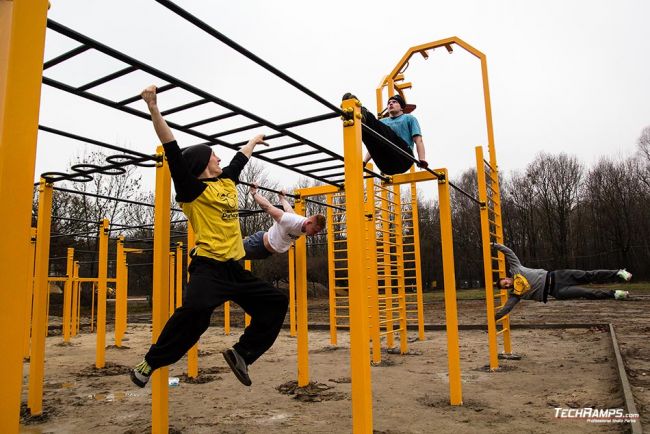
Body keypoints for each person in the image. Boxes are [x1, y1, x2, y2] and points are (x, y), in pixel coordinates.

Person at [130, 85, 288, 388]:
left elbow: (239, 159)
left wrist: (254, 139)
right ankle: (149, 363)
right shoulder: (192, 191)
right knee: (195, 315)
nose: (219, 158)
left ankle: (242, 354)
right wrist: (153, 108)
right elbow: (172, 147)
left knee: (275, 302)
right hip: (209, 269)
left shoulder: (227, 182)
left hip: (234, 269)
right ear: (203, 163)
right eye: (214, 156)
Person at [491, 242, 632, 320]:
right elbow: (507, 308)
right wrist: (494, 318)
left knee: (590, 275)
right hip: (557, 291)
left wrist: (494, 245)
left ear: (506, 278)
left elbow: (508, 252)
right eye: (505, 287)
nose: (507, 285)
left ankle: (619, 273)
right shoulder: (516, 294)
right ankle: (615, 294)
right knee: (587, 293)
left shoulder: (516, 269)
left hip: (558, 276)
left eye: (505, 282)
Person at [342, 93, 427, 175]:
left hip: (403, 158)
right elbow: (372, 146)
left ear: (401, 107)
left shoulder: (408, 118)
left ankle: (361, 112)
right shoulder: (382, 122)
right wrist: (364, 162)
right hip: (386, 166)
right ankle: (357, 118)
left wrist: (422, 159)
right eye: (389, 103)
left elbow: (418, 140)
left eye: (394, 102)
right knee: (370, 133)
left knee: (379, 127)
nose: (391, 104)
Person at [243, 183, 326, 259]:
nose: (314, 234)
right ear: (309, 223)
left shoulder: (304, 225)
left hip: (265, 252)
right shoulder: (290, 220)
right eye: (314, 231)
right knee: (231, 253)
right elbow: (267, 207)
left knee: (233, 257)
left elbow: (289, 210)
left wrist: (282, 199)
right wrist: (254, 193)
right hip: (257, 244)